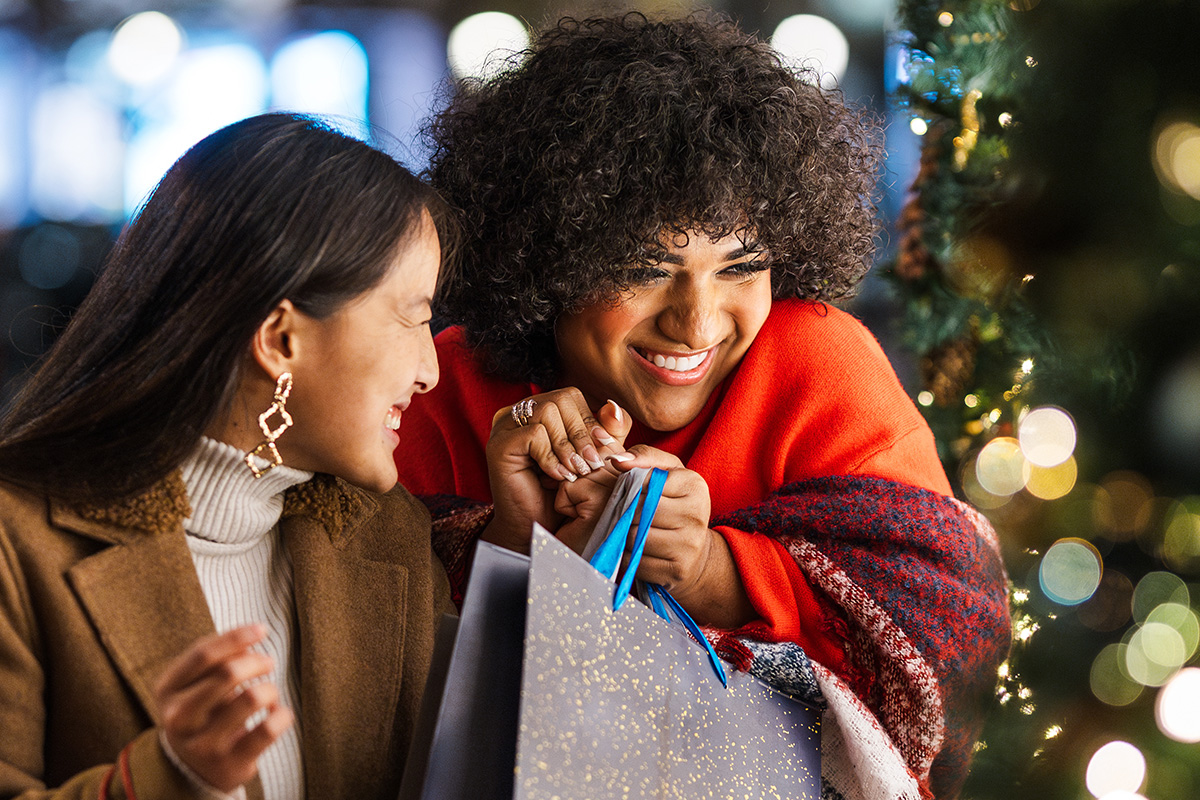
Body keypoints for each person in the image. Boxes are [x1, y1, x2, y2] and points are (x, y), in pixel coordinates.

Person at [393, 13, 1010, 800]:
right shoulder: (440, 383)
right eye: (646, 269)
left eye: (739, 267)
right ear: (547, 261)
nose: (696, 323)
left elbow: (952, 642)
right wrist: (510, 543)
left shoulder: (818, 362)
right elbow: (362, 681)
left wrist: (715, 571)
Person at [0, 113, 454, 800]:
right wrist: (166, 779)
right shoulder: (18, 540)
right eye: (413, 317)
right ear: (279, 339)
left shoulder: (389, 534)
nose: (430, 371)